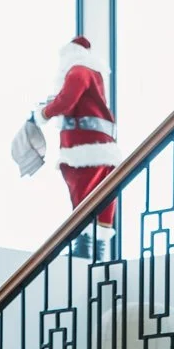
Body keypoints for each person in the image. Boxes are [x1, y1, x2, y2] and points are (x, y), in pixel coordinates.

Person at [38, 35, 120, 259]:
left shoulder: (77, 71)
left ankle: (84, 248)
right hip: (99, 146)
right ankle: (97, 249)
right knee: (100, 195)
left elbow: (66, 101)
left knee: (82, 193)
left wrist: (44, 113)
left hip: (82, 148)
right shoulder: (94, 74)